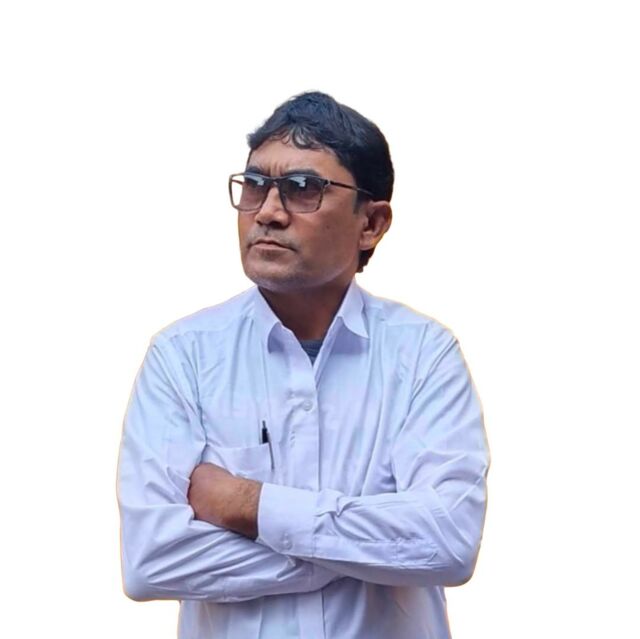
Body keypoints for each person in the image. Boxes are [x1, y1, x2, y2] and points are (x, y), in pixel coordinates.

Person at [117, 91, 490, 639]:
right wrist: (363, 552)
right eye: (255, 185)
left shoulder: (422, 356)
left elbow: (448, 542)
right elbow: (151, 560)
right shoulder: (183, 357)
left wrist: (247, 505)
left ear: (371, 223)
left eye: (302, 188)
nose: (268, 211)